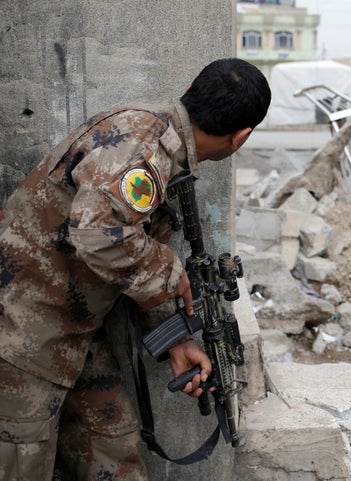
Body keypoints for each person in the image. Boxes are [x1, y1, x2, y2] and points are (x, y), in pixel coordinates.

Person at [0, 58, 271, 481]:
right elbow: (99, 235)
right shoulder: (143, 144)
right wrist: (170, 269)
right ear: (242, 137)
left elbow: (132, 257)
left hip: (72, 332)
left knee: (114, 457)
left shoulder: (163, 149)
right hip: (20, 336)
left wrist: (175, 340)